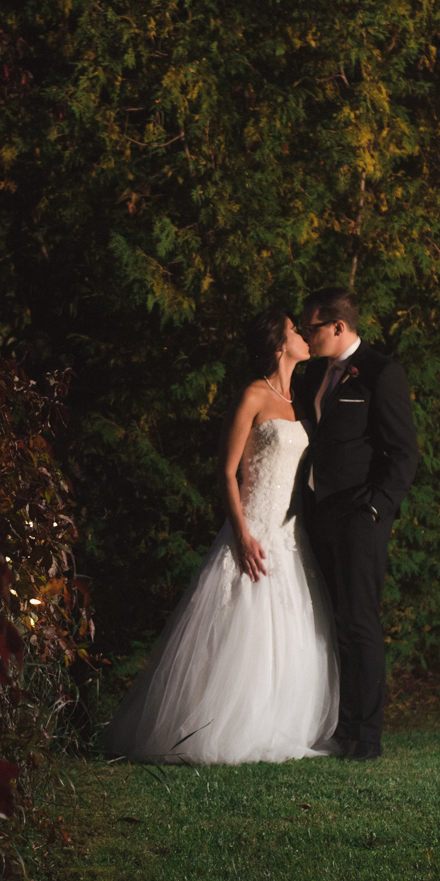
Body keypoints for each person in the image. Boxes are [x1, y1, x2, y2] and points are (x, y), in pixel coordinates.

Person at [101, 310, 339, 765]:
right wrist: (242, 533)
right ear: (277, 344)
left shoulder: (303, 399)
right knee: (242, 629)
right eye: (296, 331)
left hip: (291, 533)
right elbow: (226, 472)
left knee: (291, 630)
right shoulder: (252, 395)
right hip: (253, 527)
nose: (305, 336)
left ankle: (276, 723)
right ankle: (221, 728)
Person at [293, 287, 419, 762]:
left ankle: (366, 737)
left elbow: (404, 451)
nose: (307, 334)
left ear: (338, 327)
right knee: (333, 624)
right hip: (319, 515)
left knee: (360, 623)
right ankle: (339, 727)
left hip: (359, 518)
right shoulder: (312, 377)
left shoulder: (381, 374)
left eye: (312, 327)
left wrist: (375, 508)